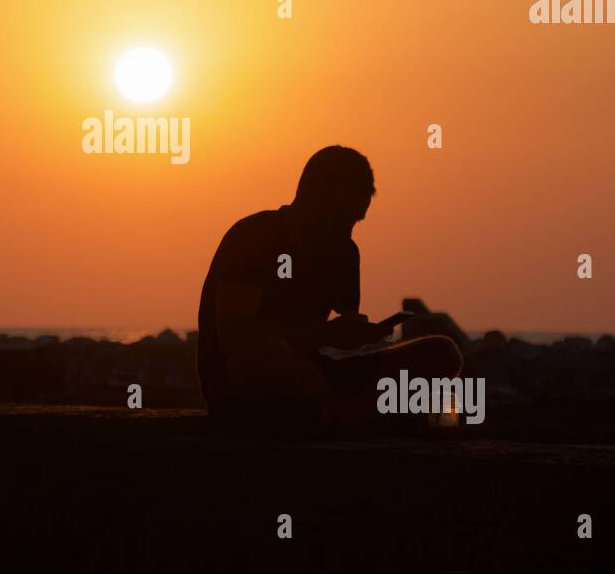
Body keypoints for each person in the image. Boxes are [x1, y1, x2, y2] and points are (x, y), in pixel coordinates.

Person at [196, 145, 462, 435]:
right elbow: (234, 338)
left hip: (315, 375)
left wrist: (360, 334)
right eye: (341, 219)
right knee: (268, 354)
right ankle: (346, 417)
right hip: (247, 380)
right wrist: (326, 334)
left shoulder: (344, 252)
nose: (347, 232)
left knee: (441, 353)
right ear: (312, 201)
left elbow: (342, 334)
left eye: (354, 222)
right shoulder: (253, 237)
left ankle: (335, 416)